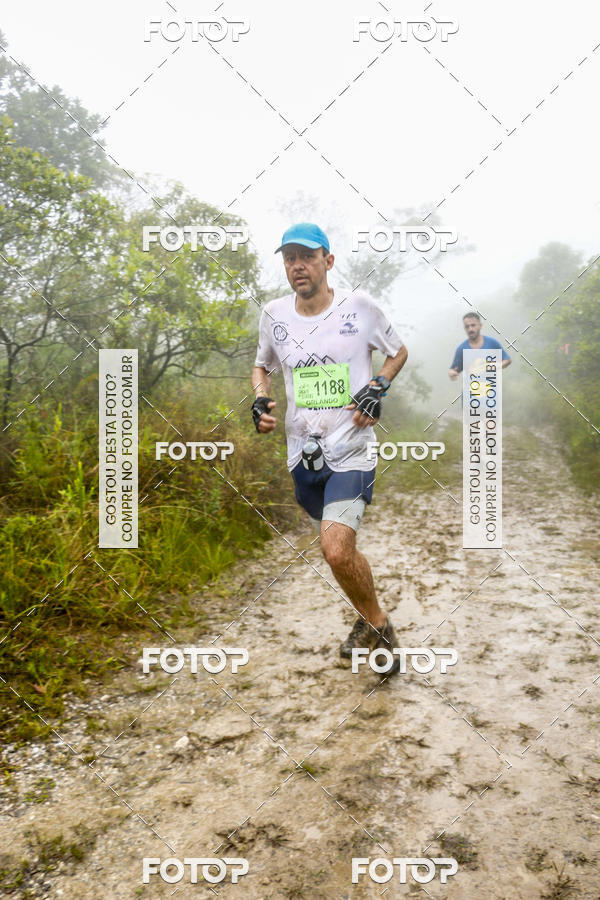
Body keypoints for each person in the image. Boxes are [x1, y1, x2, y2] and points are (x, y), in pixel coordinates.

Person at [250, 222, 408, 672]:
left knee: (335, 548)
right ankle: (367, 619)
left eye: (307, 257)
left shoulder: (360, 309)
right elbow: (261, 366)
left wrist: (377, 386)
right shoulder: (274, 315)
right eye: (290, 258)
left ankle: (379, 628)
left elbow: (397, 352)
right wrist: (259, 400)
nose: (297, 266)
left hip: (353, 449)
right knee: (338, 549)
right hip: (303, 455)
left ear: (328, 261)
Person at [448, 312, 511, 380]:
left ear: (480, 325)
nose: (470, 329)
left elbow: (507, 360)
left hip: (491, 389)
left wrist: (494, 366)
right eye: (467, 326)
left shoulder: (492, 343)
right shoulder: (461, 349)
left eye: (473, 325)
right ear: (464, 328)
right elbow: (454, 369)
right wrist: (452, 373)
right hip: (470, 389)